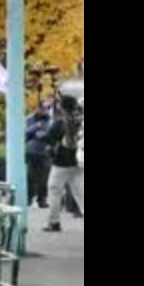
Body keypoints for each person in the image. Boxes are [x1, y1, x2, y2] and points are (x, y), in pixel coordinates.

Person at [43, 95, 84, 232]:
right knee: (81, 193)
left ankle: (54, 222)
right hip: (78, 162)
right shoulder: (80, 120)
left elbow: (49, 139)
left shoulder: (60, 122)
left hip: (61, 163)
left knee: (54, 190)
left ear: (62, 107)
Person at [26, 104, 53, 208]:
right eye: (41, 108)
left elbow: (53, 132)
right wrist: (36, 127)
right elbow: (25, 131)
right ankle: (28, 198)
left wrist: (45, 134)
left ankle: (42, 199)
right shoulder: (29, 119)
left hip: (45, 152)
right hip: (31, 151)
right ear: (37, 109)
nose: (43, 110)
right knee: (30, 176)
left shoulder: (50, 120)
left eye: (45, 109)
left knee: (44, 177)